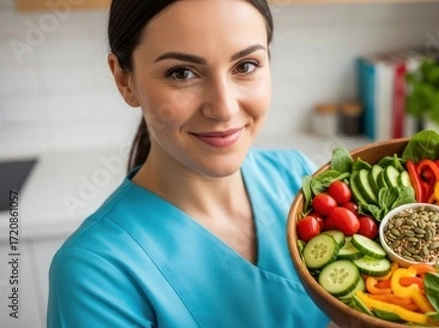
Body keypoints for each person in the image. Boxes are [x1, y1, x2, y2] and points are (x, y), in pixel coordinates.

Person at [47, 0, 330, 327]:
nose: (223, 108)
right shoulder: (95, 273)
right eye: (181, 73)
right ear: (125, 81)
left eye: (246, 66)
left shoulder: (297, 177)